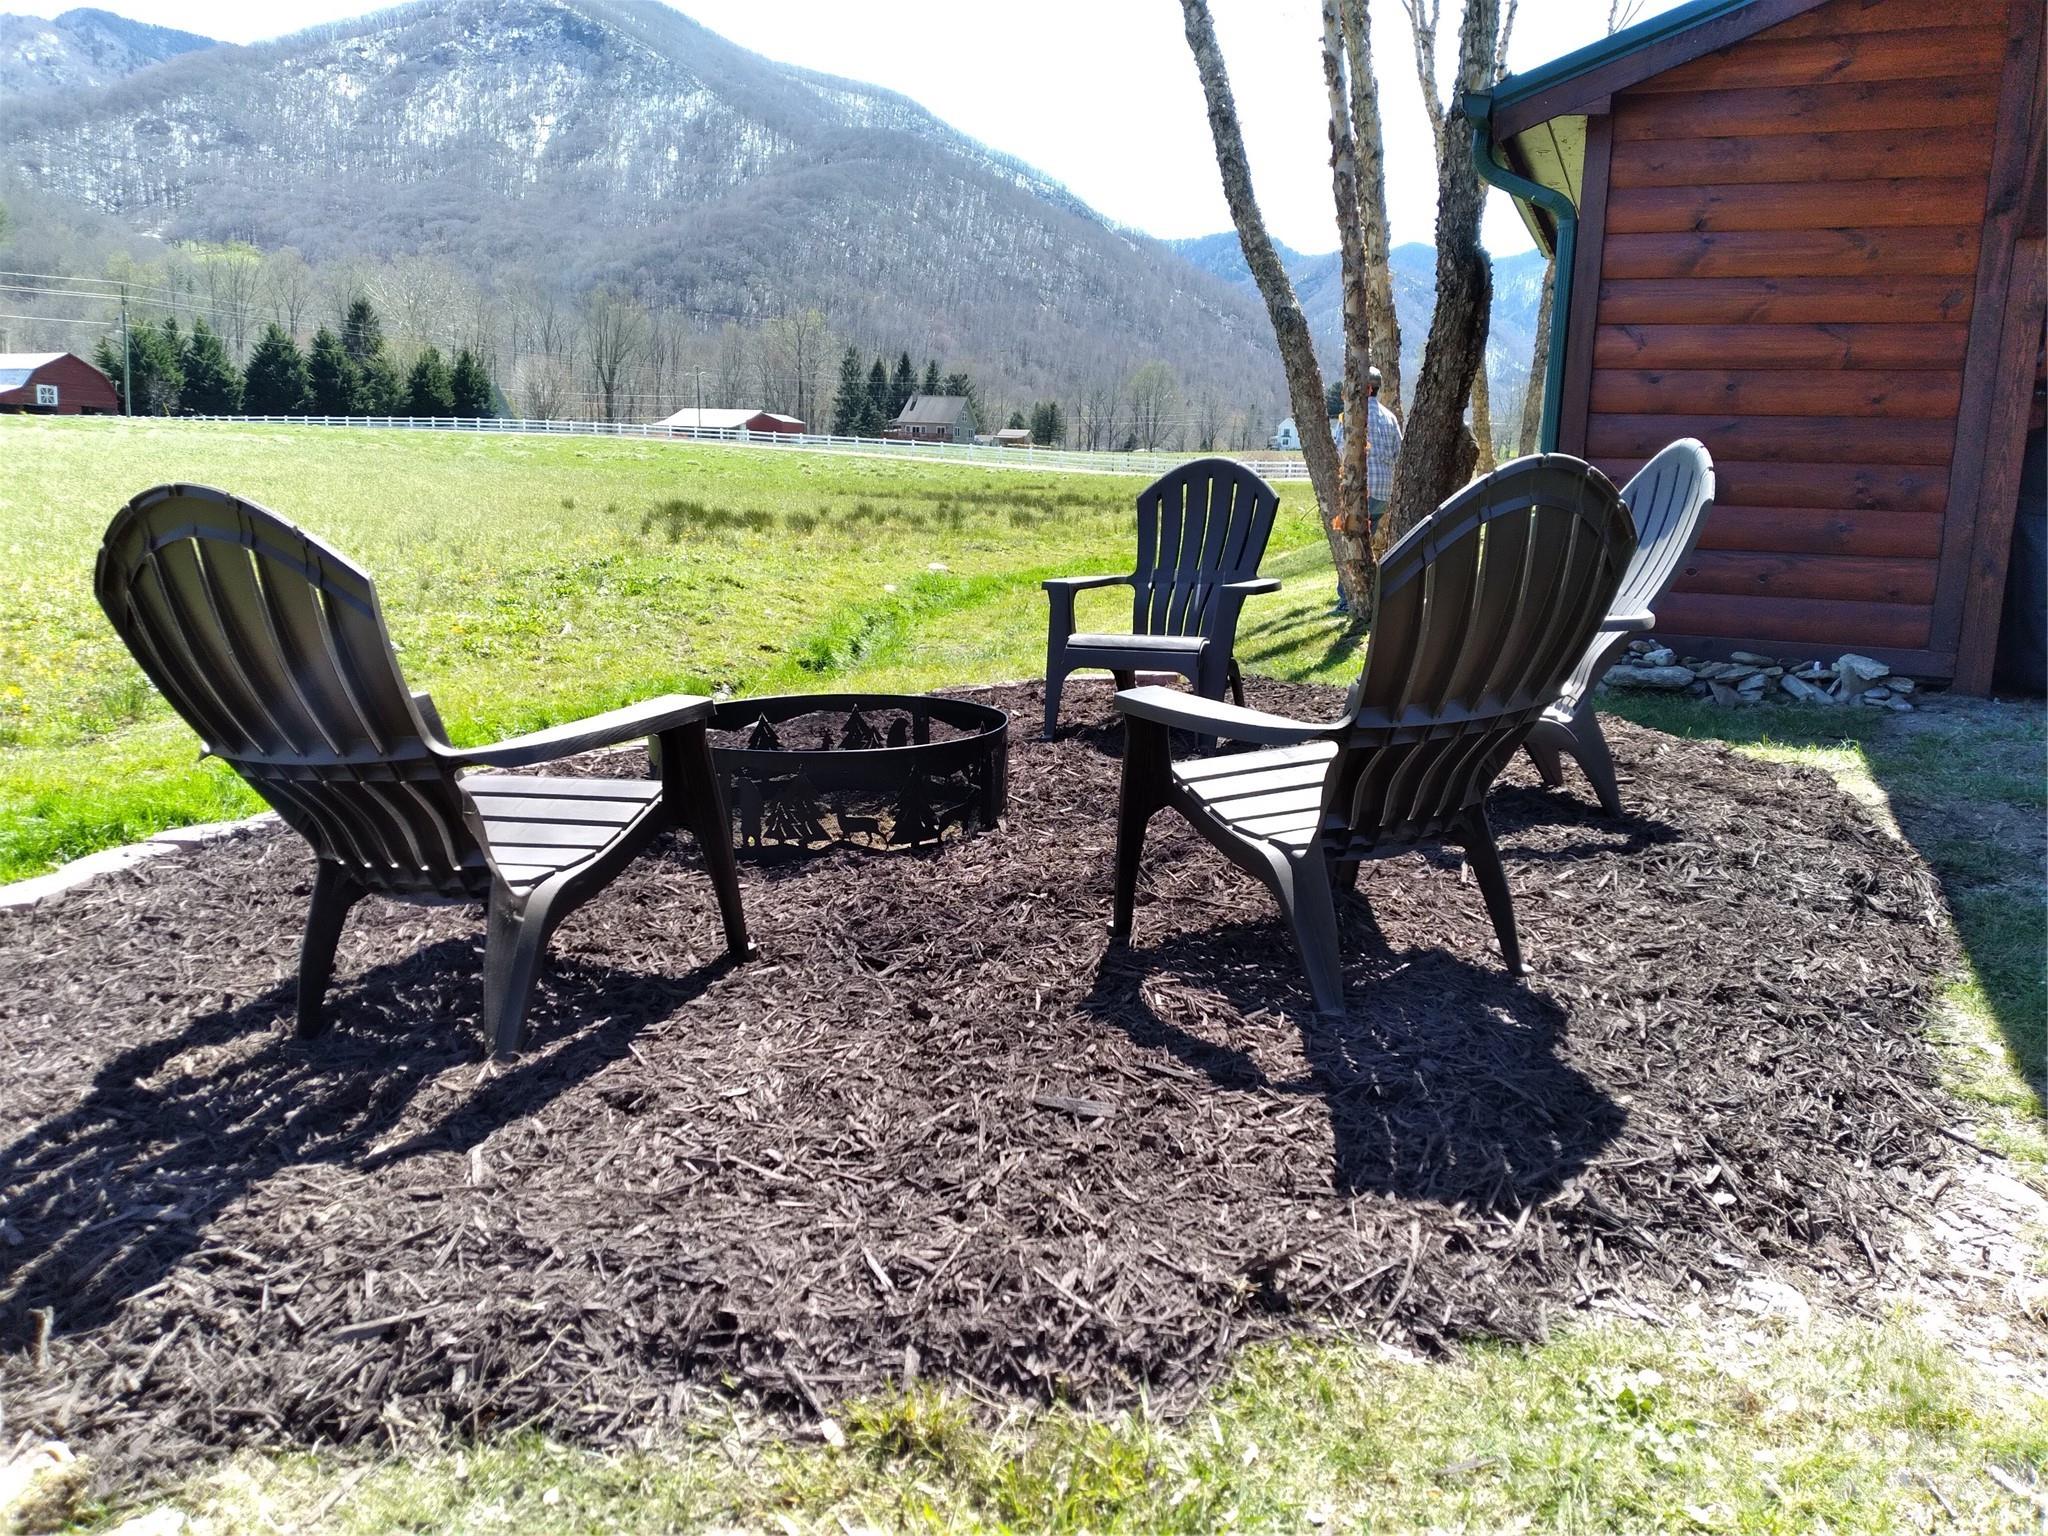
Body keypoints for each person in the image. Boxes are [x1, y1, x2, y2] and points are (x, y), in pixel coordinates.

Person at [1332, 366, 1402, 617]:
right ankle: (1375, 591)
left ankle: (1348, 597)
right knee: (1373, 544)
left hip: (1360, 489)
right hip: (1383, 491)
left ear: (1365, 388)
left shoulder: (1351, 415)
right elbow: (1399, 454)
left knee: (1352, 543)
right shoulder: (1390, 418)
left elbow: (1340, 449)